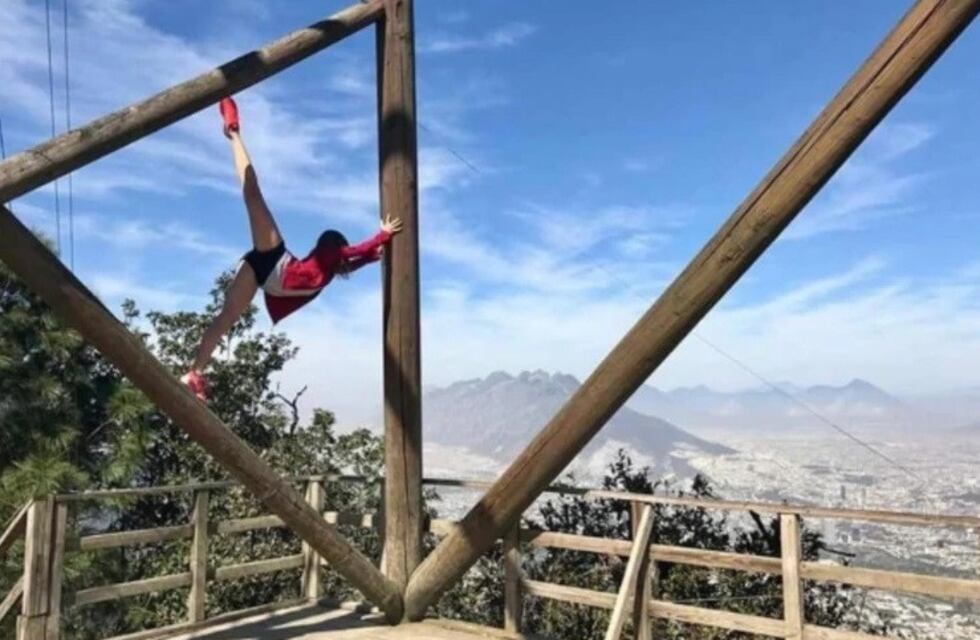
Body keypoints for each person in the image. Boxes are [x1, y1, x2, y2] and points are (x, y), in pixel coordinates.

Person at [180, 97, 402, 400]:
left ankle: (195, 373)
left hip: (264, 275)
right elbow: (347, 256)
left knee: (226, 318)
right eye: (342, 251)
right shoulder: (328, 255)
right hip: (275, 259)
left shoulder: (328, 269)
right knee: (253, 194)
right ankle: (233, 129)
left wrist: (374, 256)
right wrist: (382, 235)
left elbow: (349, 262)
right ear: (335, 246)